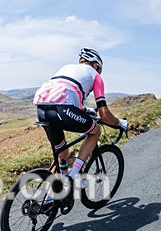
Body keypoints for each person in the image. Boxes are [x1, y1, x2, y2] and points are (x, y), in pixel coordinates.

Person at [33, 48, 128, 196]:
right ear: (96, 65)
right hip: (62, 108)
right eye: (100, 69)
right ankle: (74, 176)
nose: (99, 72)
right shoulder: (95, 76)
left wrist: (85, 110)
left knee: (62, 151)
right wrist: (119, 123)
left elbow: (65, 93)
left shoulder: (67, 68)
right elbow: (104, 114)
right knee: (95, 131)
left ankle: (51, 197)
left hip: (41, 109)